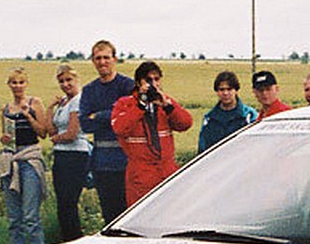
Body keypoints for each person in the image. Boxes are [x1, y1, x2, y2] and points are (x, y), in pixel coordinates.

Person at [112, 60, 193, 205]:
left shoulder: (165, 102)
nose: (153, 84)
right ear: (138, 83)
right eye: (148, 80)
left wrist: (168, 107)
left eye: (157, 79)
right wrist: (141, 106)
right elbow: (120, 128)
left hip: (167, 171)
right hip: (141, 175)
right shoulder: (125, 104)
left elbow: (186, 124)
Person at [76, 40, 135, 224]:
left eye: (106, 57)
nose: (102, 62)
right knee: (109, 216)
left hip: (127, 160)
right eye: (98, 58)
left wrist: (99, 115)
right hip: (102, 162)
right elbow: (85, 124)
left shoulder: (128, 86)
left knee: (130, 214)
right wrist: (115, 115)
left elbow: (130, 119)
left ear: (114, 59)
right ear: (93, 61)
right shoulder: (89, 90)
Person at [0, 67, 50, 244]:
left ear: (26, 84)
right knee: (14, 215)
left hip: (29, 158)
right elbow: (6, 136)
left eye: (21, 82)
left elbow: (42, 132)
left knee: (30, 214)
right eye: (14, 82)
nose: (17, 86)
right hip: (10, 159)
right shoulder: (6, 109)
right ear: (9, 85)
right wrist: (4, 139)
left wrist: (28, 115)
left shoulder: (35, 103)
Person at [48, 63, 92, 242]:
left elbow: (72, 133)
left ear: (76, 79)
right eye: (61, 81)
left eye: (69, 80)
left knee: (69, 202)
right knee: (62, 203)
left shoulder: (78, 101)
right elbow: (51, 130)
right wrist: (50, 108)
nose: (65, 84)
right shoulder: (64, 102)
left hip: (75, 155)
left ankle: (74, 239)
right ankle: (67, 238)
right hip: (61, 155)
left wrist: (56, 139)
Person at [198, 69, 257, 154]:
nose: (225, 93)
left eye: (229, 89)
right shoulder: (209, 119)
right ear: (217, 91)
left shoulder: (249, 116)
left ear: (236, 90)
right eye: (221, 90)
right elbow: (203, 150)